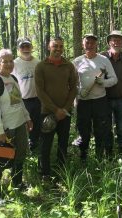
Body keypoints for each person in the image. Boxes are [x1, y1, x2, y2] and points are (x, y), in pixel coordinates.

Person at [0, 49, 32, 196]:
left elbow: (19, 101)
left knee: (20, 155)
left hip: (19, 124)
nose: (8, 64)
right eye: (4, 61)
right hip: (5, 129)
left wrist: (27, 117)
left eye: (10, 60)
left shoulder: (13, 78)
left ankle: (17, 183)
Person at [35, 37, 77, 177]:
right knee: (45, 144)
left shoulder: (69, 65)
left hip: (65, 113)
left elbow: (73, 88)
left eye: (61, 46)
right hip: (47, 112)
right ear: (49, 47)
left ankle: (61, 170)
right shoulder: (41, 66)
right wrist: (55, 110)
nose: (58, 49)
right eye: (55, 46)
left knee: (63, 143)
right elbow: (40, 91)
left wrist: (64, 109)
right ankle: (44, 173)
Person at [73, 34, 117, 160]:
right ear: (83, 44)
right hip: (83, 102)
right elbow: (71, 83)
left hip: (100, 101)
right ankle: (83, 157)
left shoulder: (103, 60)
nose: (90, 45)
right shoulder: (77, 61)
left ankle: (99, 157)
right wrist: (77, 95)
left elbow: (114, 79)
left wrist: (103, 83)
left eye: (92, 43)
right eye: (87, 42)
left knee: (100, 130)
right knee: (83, 130)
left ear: (96, 44)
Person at [101, 30, 122, 153]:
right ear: (109, 42)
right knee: (106, 127)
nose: (116, 43)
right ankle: (108, 151)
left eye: (119, 40)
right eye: (114, 40)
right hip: (104, 99)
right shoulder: (102, 57)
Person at [13, 37, 41, 152]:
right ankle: (22, 148)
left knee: (36, 124)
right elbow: (10, 82)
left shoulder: (38, 63)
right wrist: (14, 101)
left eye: (27, 46)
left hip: (37, 99)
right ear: (19, 49)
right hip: (22, 100)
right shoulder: (14, 63)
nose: (25, 49)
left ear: (31, 47)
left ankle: (34, 146)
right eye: (23, 47)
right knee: (23, 125)